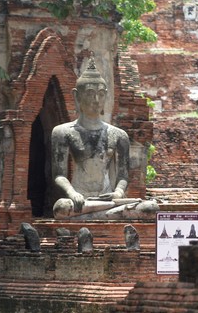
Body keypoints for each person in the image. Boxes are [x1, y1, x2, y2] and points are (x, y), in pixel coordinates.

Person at [51, 58, 157, 219]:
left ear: (106, 96)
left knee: (150, 208)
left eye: (100, 94)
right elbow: (59, 175)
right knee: (62, 207)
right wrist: (72, 193)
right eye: (90, 94)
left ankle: (96, 214)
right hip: (79, 200)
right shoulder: (62, 132)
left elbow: (123, 176)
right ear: (77, 96)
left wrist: (118, 193)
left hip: (108, 199)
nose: (96, 100)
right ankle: (98, 214)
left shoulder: (118, 134)